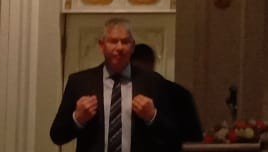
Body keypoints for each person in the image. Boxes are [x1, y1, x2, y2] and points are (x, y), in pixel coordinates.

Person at [50, 18, 181, 152]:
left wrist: (152, 116)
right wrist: (77, 119)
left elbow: (173, 136)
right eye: (113, 41)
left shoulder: (153, 82)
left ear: (132, 46)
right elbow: (57, 135)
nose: (119, 47)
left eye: (125, 42)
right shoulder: (79, 82)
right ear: (102, 45)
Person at [131, 43, 204, 143]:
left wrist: (153, 117)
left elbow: (194, 136)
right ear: (152, 63)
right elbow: (195, 137)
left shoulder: (178, 94)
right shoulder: (180, 93)